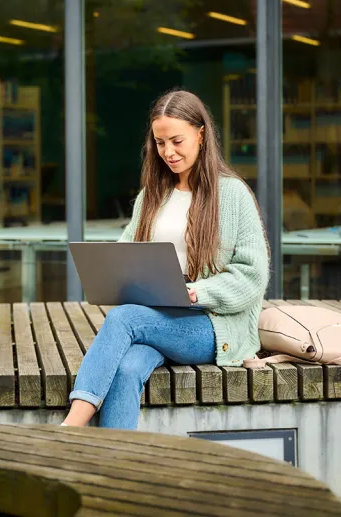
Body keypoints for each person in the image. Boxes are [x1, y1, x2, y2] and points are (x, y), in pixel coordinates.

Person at [61, 89, 270, 430]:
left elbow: (252, 276)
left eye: (177, 141)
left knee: (124, 318)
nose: (168, 152)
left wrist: (196, 292)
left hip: (212, 324)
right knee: (127, 369)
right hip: (161, 318)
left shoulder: (232, 195)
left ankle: (71, 427)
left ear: (201, 134)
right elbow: (125, 252)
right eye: (160, 143)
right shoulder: (152, 196)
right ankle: (114, 468)